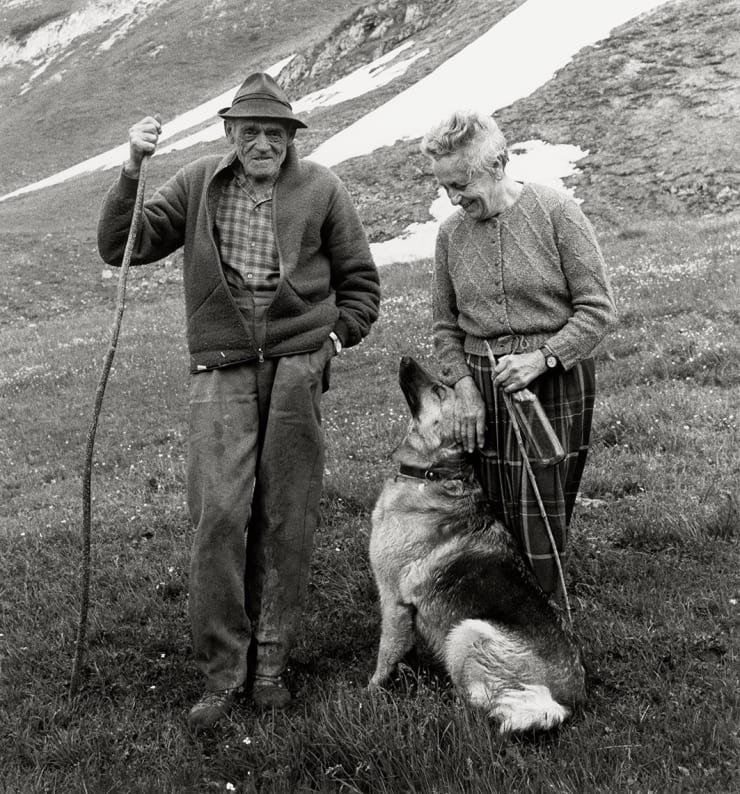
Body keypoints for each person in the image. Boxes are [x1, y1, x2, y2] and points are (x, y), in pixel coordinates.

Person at [97, 72, 380, 729]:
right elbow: (121, 245)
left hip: (294, 369)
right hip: (219, 368)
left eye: (275, 132)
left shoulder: (322, 188)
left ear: (290, 137)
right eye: (250, 131)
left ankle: (272, 663)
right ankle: (225, 673)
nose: (263, 143)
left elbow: (361, 283)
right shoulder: (197, 183)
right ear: (229, 134)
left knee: (287, 516)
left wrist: (329, 344)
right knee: (219, 516)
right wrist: (134, 166)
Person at [420, 110, 616, 599]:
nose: (454, 198)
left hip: (551, 383)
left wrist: (544, 358)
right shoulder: (450, 235)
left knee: (539, 520)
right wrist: (464, 389)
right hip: (480, 390)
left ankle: (542, 634)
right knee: (483, 516)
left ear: (498, 164)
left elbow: (597, 309)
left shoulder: (556, 210)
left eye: (461, 183)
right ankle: (488, 623)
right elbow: (446, 326)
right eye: (445, 187)